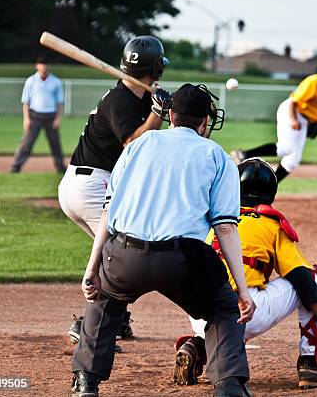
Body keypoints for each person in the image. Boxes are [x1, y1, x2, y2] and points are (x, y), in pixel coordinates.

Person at [71, 83, 255, 397]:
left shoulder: (138, 145)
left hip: (124, 255)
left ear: (170, 115)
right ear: (204, 123)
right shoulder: (216, 155)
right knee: (224, 308)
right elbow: (225, 227)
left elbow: (108, 210)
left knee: (106, 299)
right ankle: (227, 385)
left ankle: (86, 381)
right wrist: (242, 290)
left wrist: (92, 269)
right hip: (183, 259)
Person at [173, 158, 317, 390]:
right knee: (314, 277)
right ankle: (311, 364)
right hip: (246, 314)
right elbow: (302, 278)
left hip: (199, 313)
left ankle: (197, 345)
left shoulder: (215, 219)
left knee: (221, 297)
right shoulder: (270, 223)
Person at [59, 36, 172, 344]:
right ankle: (89, 324)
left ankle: (117, 319)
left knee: (117, 253)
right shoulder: (120, 99)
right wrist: (157, 113)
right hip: (91, 186)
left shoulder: (133, 96)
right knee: (123, 253)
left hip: (87, 184)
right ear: (155, 68)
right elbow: (133, 143)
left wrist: (158, 107)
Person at [231, 55, 317, 182]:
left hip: (304, 119)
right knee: (285, 148)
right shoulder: (314, 82)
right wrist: (293, 120)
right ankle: (243, 155)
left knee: (293, 160)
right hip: (291, 112)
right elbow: (293, 102)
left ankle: (270, 188)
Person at [10, 56, 66, 173]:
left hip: (51, 116)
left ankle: (60, 166)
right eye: (41, 64)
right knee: (27, 142)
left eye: (46, 64)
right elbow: (25, 101)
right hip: (35, 115)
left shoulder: (56, 82)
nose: (44, 67)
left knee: (55, 144)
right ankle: (16, 166)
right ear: (37, 66)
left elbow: (60, 103)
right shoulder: (31, 81)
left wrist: (58, 119)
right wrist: (26, 119)